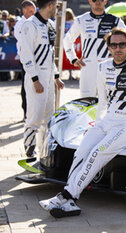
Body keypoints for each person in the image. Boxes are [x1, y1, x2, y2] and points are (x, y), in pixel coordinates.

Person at [39, 27, 126, 218]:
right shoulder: (103, 67)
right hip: (106, 121)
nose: (118, 48)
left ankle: (67, 196)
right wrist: (96, 124)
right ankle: (68, 201)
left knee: (96, 154)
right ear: (108, 47)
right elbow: (102, 101)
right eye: (114, 45)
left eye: (122, 45)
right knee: (81, 152)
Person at [19, 0, 64, 157]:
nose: (56, 9)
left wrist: (56, 76)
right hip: (36, 78)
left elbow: (50, 53)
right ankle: (29, 151)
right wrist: (35, 79)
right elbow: (25, 54)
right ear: (50, 5)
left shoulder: (50, 24)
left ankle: (44, 152)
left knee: (49, 117)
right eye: (56, 6)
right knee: (35, 116)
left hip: (50, 77)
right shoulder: (29, 25)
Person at [63, 0, 126, 98]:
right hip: (88, 66)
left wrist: (122, 59)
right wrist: (73, 59)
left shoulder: (115, 21)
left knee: (109, 102)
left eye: (101, 0)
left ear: (105, 1)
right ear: (90, 1)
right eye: (95, 0)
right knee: (87, 101)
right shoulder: (81, 20)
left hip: (109, 65)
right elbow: (67, 40)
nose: (98, 2)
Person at [14, 0, 36, 120]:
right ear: (24, 11)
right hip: (26, 60)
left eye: (34, 11)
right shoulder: (20, 25)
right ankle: (26, 112)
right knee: (26, 86)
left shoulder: (36, 22)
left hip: (37, 60)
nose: (33, 13)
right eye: (30, 11)